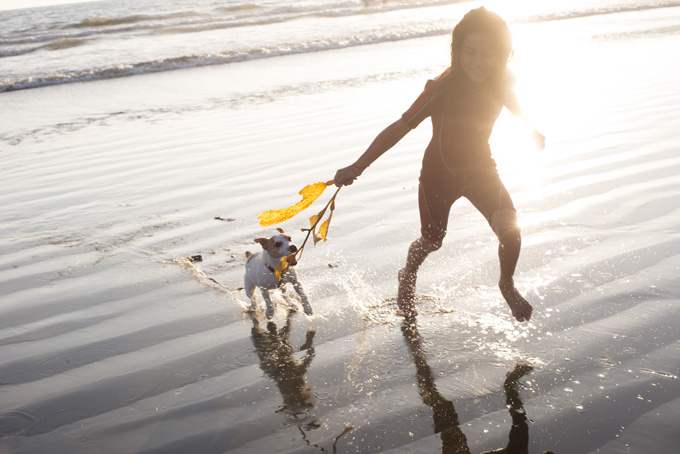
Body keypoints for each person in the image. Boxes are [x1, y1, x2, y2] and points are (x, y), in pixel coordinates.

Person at [333, 7, 545, 321]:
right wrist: (358, 166)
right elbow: (400, 127)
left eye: (487, 53)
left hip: (481, 170)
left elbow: (515, 105)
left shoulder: (503, 80)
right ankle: (407, 275)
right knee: (433, 240)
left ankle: (506, 283)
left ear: (502, 54)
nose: (477, 61)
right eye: (468, 52)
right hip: (438, 176)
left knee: (510, 230)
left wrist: (531, 129)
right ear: (456, 52)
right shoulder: (442, 88)